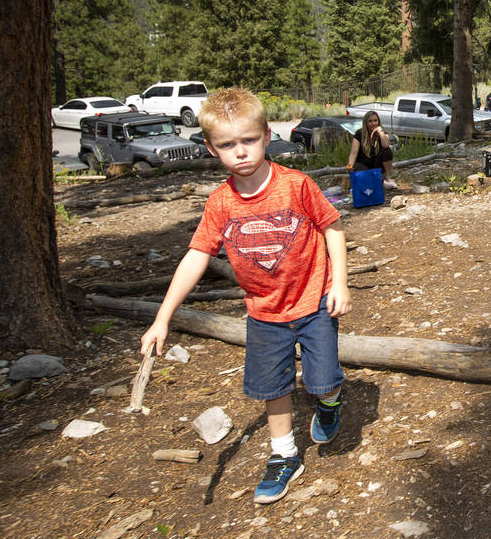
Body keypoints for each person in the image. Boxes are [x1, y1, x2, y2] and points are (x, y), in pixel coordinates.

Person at [140, 88, 351, 503]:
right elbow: (196, 257)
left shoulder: (296, 186)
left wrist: (339, 283)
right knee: (272, 388)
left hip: (312, 304)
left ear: (267, 135)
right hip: (264, 313)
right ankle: (284, 455)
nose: (240, 152)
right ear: (210, 147)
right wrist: (162, 318)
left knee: (321, 382)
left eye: (248, 140)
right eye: (227, 145)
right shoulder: (220, 204)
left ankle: (331, 402)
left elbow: (333, 227)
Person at [346, 110, 396, 189]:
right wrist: (350, 165)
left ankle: (387, 177)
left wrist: (380, 131)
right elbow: (353, 153)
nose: (373, 123)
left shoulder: (382, 132)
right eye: (370, 121)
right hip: (363, 165)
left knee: (387, 151)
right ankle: (381, 183)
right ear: (366, 122)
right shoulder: (359, 134)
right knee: (357, 167)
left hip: (377, 164)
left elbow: (386, 145)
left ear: (378, 121)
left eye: (375, 120)